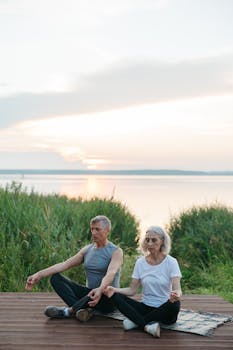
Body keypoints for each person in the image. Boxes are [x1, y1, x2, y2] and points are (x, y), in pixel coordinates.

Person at [25, 215, 123, 322]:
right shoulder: (87, 250)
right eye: (92, 229)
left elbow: (111, 273)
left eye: (97, 229)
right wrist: (39, 274)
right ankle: (82, 310)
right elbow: (65, 264)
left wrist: (100, 289)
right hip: (90, 295)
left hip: (107, 297)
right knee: (56, 278)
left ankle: (68, 311)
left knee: (100, 292)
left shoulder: (116, 252)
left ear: (107, 231)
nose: (93, 232)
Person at [104, 225, 182, 338]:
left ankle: (137, 322)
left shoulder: (171, 262)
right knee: (114, 296)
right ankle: (146, 326)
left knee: (175, 304)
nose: (149, 243)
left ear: (162, 241)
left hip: (165, 310)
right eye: (147, 240)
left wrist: (176, 295)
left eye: (154, 240)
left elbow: (178, 289)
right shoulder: (140, 263)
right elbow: (132, 290)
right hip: (145, 308)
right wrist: (114, 289)